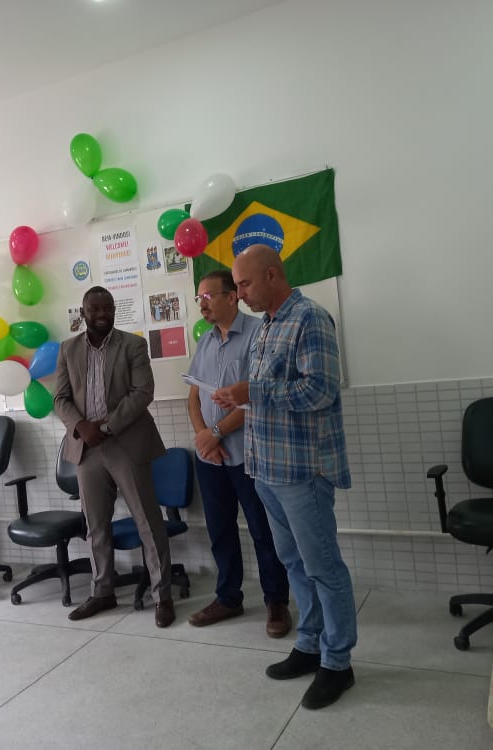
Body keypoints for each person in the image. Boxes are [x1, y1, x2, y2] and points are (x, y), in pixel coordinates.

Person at [212, 244, 357, 711]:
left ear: (273, 275)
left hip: (302, 470)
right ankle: (310, 644)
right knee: (294, 563)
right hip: (267, 469)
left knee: (323, 567)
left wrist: (253, 391)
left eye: (245, 284)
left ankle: (339, 662)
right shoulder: (266, 326)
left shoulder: (310, 319)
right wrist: (241, 397)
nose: (239, 294)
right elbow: (265, 395)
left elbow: (320, 390)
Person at [54, 286, 175, 628]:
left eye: (108, 307)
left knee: (147, 522)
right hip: (86, 448)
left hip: (126, 443)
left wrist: (105, 428)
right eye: (95, 309)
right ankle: (102, 591)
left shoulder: (133, 345)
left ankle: (162, 596)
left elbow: (143, 392)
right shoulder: (68, 349)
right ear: (83, 312)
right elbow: (60, 399)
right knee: (95, 526)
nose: (102, 314)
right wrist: (81, 427)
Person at [186, 269, 291, 637]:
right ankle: (228, 598)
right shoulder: (205, 342)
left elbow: (256, 398)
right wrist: (203, 437)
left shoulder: (259, 334)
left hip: (249, 453)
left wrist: (216, 433)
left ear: (232, 296)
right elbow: (193, 396)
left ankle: (276, 601)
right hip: (211, 458)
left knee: (263, 530)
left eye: (208, 296)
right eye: (199, 298)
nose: (202, 304)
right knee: (220, 530)